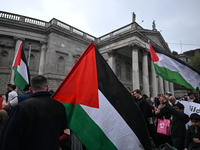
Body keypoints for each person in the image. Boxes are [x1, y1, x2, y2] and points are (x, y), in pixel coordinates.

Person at [0, 75, 68, 150]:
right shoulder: (59, 106)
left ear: (31, 90)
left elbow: (10, 136)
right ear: (47, 88)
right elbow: (62, 129)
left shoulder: (22, 107)